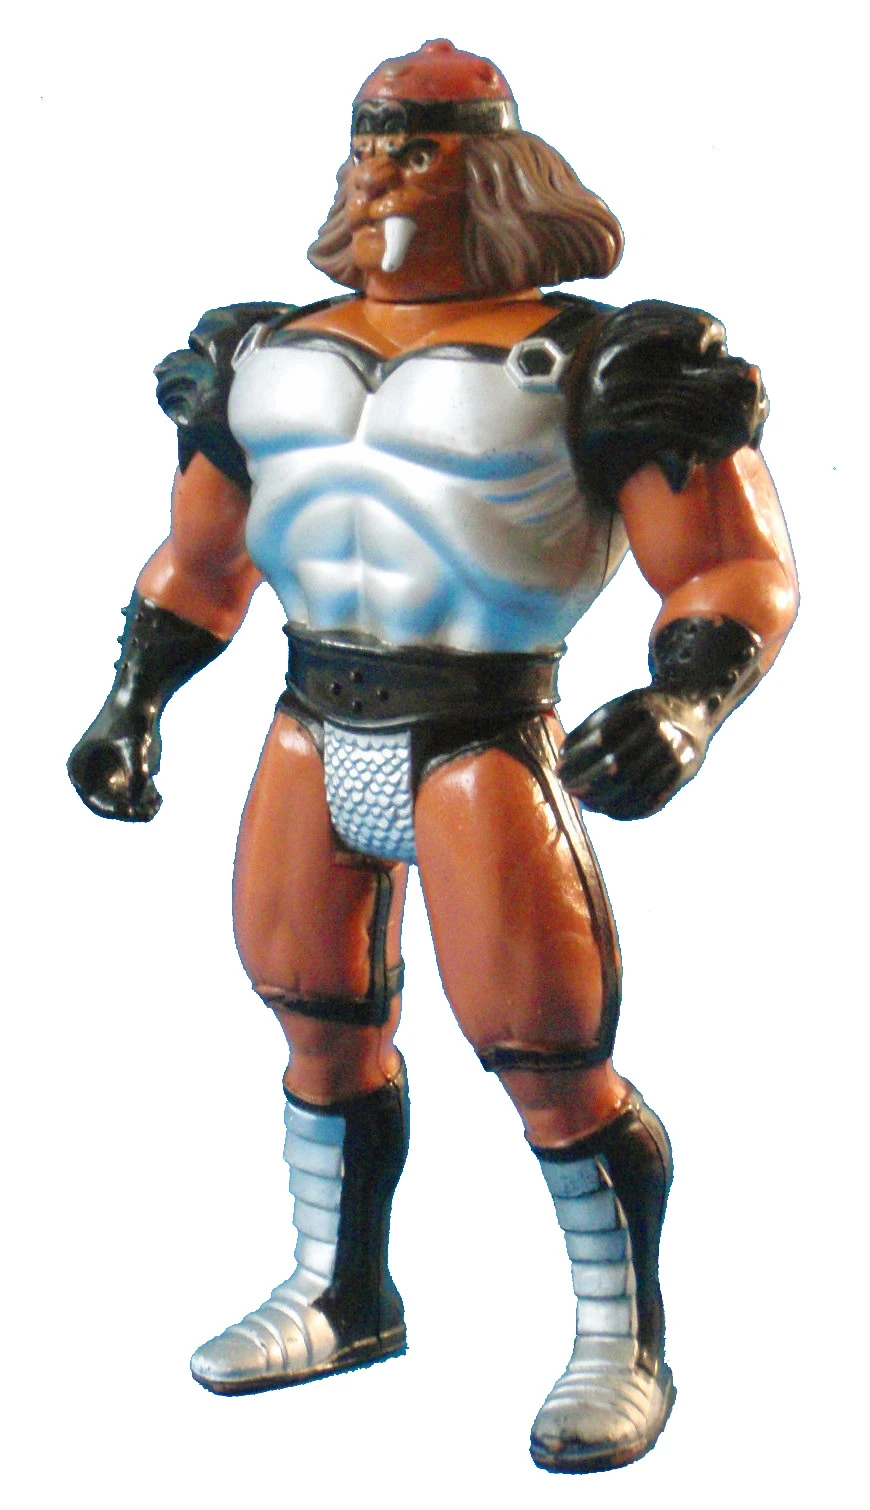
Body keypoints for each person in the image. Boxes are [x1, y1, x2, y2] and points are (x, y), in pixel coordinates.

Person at [67, 39, 798, 1474]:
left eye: (416, 149)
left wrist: (684, 707)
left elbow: (729, 567)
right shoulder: (260, 352)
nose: (378, 174)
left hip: (483, 733)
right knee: (315, 1016)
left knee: (547, 1053)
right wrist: (132, 698)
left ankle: (620, 1338)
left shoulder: (604, 359)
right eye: (367, 144)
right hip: (310, 715)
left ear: (502, 174)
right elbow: (201, 559)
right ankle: (341, 1292)